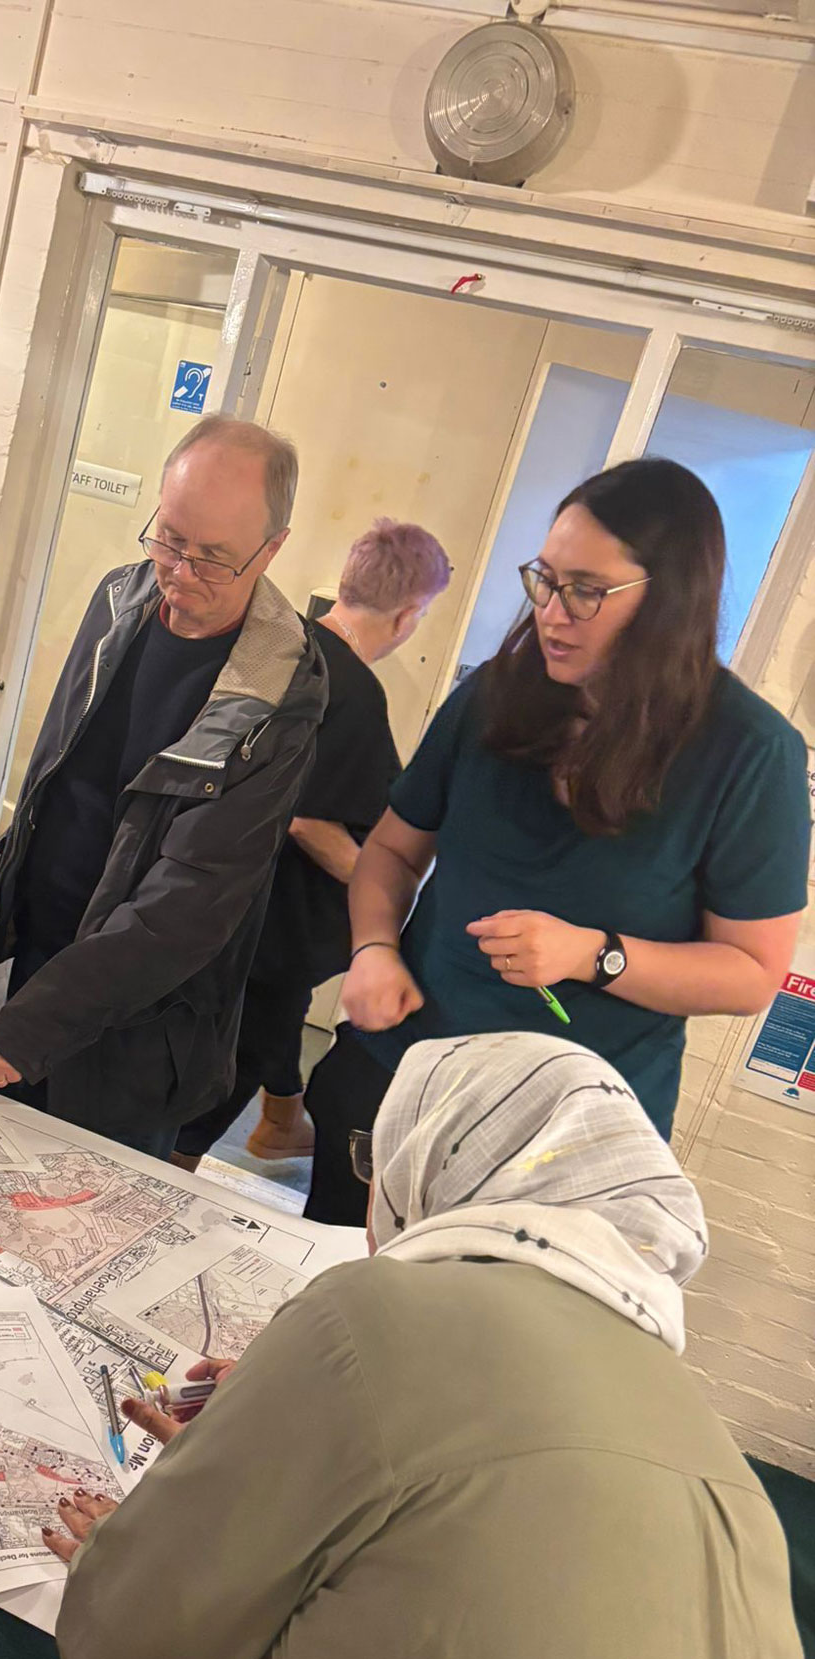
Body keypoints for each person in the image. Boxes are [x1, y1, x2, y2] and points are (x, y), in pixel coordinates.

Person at [51, 1033, 815, 1659]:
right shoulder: (721, 1463)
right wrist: (290, 1424)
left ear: (442, 1160)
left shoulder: (370, 1319)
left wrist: (123, 1552)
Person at [311, 456, 809, 1225]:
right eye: (544, 579)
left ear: (670, 601)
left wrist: (594, 954)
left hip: (570, 1136)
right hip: (406, 1078)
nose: (552, 610)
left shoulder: (749, 753)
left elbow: (750, 973)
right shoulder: (493, 693)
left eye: (587, 590)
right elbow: (389, 853)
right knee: (345, 1308)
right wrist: (373, 947)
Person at [0, 417, 327, 1158]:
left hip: (140, 1034)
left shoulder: (280, 691)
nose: (178, 573)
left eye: (213, 558)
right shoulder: (120, 596)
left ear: (272, 549)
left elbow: (187, 908)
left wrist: (27, 1029)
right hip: (42, 969)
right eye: (169, 538)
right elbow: (64, 769)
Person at [171, 520, 449, 1174]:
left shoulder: (279, 645)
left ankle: (280, 1120)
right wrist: (380, 890)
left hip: (217, 896)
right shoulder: (352, 691)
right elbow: (309, 820)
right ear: (408, 615)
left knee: (262, 1024)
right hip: (276, 916)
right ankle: (180, 1171)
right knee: (232, 1058)